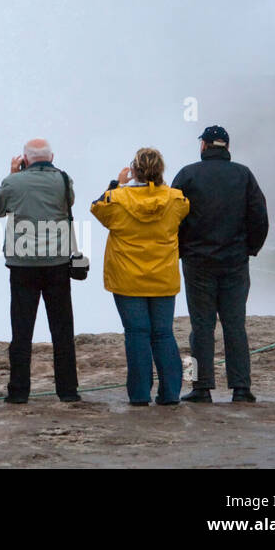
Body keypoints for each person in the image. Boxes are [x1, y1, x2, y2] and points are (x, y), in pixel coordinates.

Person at [172, 125, 269, 404]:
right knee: (235, 324)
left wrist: (181, 250)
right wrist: (250, 248)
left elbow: (171, 216)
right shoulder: (244, 174)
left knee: (200, 326)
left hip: (197, 262)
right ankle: (241, 388)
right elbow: (259, 216)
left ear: (203, 145)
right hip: (235, 262)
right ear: (227, 147)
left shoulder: (188, 174)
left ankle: (200, 388)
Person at [90, 148, 190, 407]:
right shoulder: (176, 199)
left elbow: (97, 207)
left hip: (127, 278)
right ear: (161, 170)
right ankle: (170, 394)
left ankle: (139, 395)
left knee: (136, 334)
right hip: (163, 278)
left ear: (134, 170)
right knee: (164, 334)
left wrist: (117, 183)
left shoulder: (117, 198)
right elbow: (181, 212)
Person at [0, 138, 81, 403]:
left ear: (25, 159)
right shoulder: (63, 180)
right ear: (52, 157)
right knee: (62, 329)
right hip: (57, 263)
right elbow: (69, 202)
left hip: (22, 264)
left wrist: (11, 174)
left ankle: (18, 392)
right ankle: (68, 390)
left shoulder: (13, 182)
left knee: (22, 329)